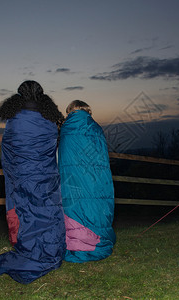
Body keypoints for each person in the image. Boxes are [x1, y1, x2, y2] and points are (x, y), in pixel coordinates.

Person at [0, 80, 66, 284]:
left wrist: (15, 173)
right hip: (47, 176)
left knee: (28, 212)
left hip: (23, 177)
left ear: (19, 96)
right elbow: (53, 147)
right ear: (41, 95)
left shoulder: (14, 121)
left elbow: (7, 150)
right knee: (47, 211)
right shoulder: (49, 120)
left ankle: (33, 252)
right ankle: (50, 250)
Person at [58, 100, 116, 263]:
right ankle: (94, 242)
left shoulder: (66, 129)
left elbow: (62, 156)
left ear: (70, 111)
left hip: (72, 180)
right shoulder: (96, 128)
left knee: (75, 207)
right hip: (94, 179)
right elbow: (102, 158)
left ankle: (76, 245)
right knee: (93, 207)